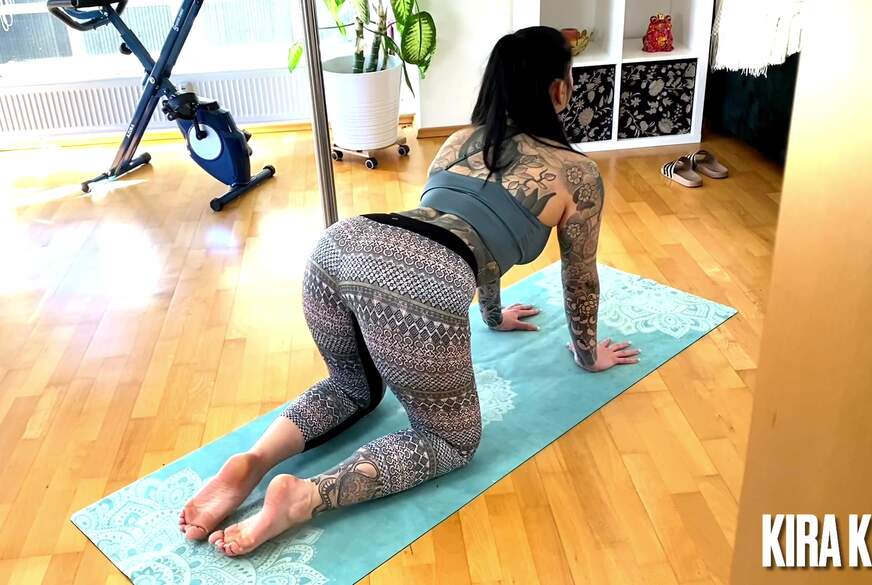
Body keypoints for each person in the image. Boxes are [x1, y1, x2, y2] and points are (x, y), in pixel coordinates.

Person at [179, 25, 641, 557]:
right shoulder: (576, 174)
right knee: (451, 441)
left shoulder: (459, 141)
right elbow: (578, 275)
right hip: (422, 281)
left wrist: (492, 316)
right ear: (559, 89)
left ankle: (254, 460)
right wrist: (587, 355)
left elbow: (465, 224)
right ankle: (305, 495)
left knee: (353, 387)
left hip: (341, 245)